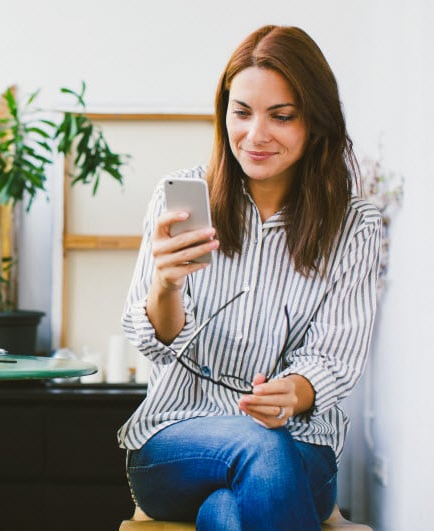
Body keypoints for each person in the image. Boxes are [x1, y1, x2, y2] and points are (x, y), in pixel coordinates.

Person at [119, 25, 381, 531]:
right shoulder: (182, 197)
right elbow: (152, 345)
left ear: (316, 123)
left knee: (228, 514)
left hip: (301, 445)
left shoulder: (354, 225)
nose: (255, 135)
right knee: (258, 446)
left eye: (281, 116)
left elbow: (336, 358)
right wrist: (166, 285)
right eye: (241, 112)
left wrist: (294, 392)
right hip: (177, 439)